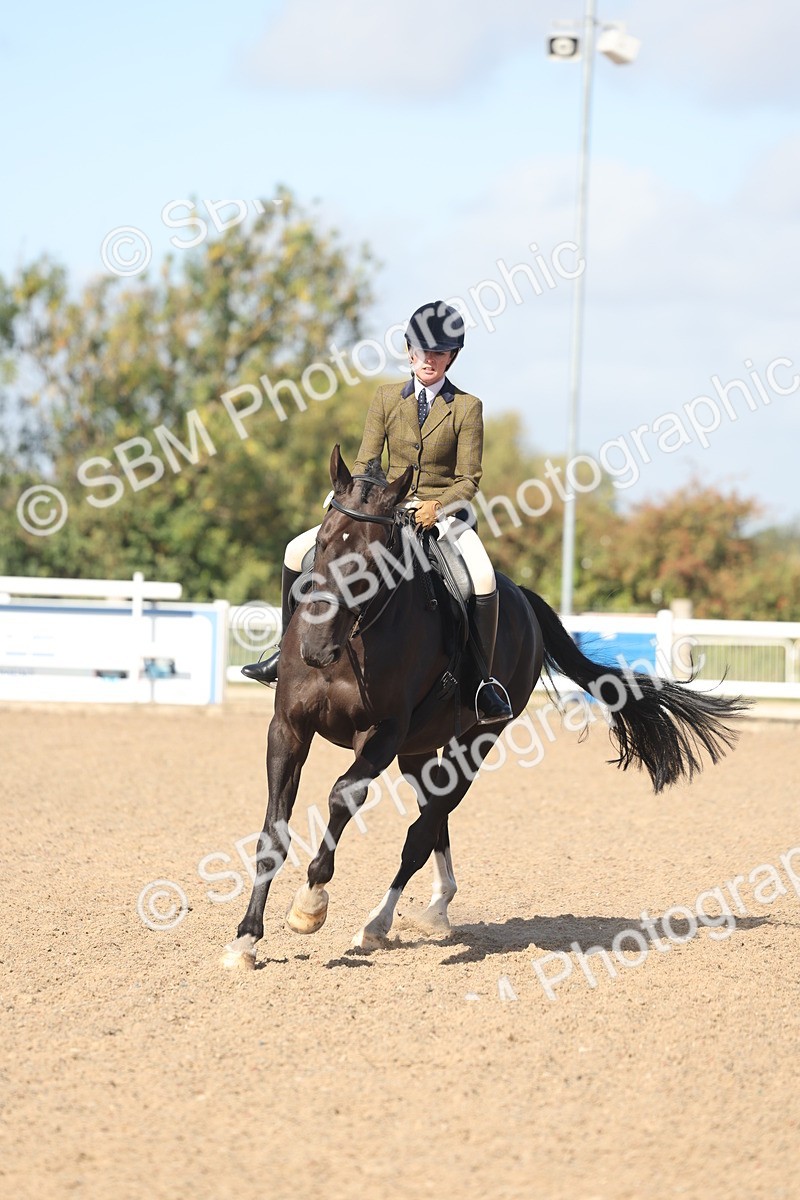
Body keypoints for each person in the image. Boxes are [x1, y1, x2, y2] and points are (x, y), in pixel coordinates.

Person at [242, 300, 512, 724]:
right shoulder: (386, 398)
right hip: (382, 512)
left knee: (480, 575)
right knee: (297, 551)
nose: (429, 360)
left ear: (451, 357)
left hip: (441, 517)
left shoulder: (467, 408)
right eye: (423, 351)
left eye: (439, 353)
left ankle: (479, 683)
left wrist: (437, 506)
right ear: (409, 351)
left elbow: (470, 478)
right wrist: (346, 497)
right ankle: (283, 652)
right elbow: (368, 462)